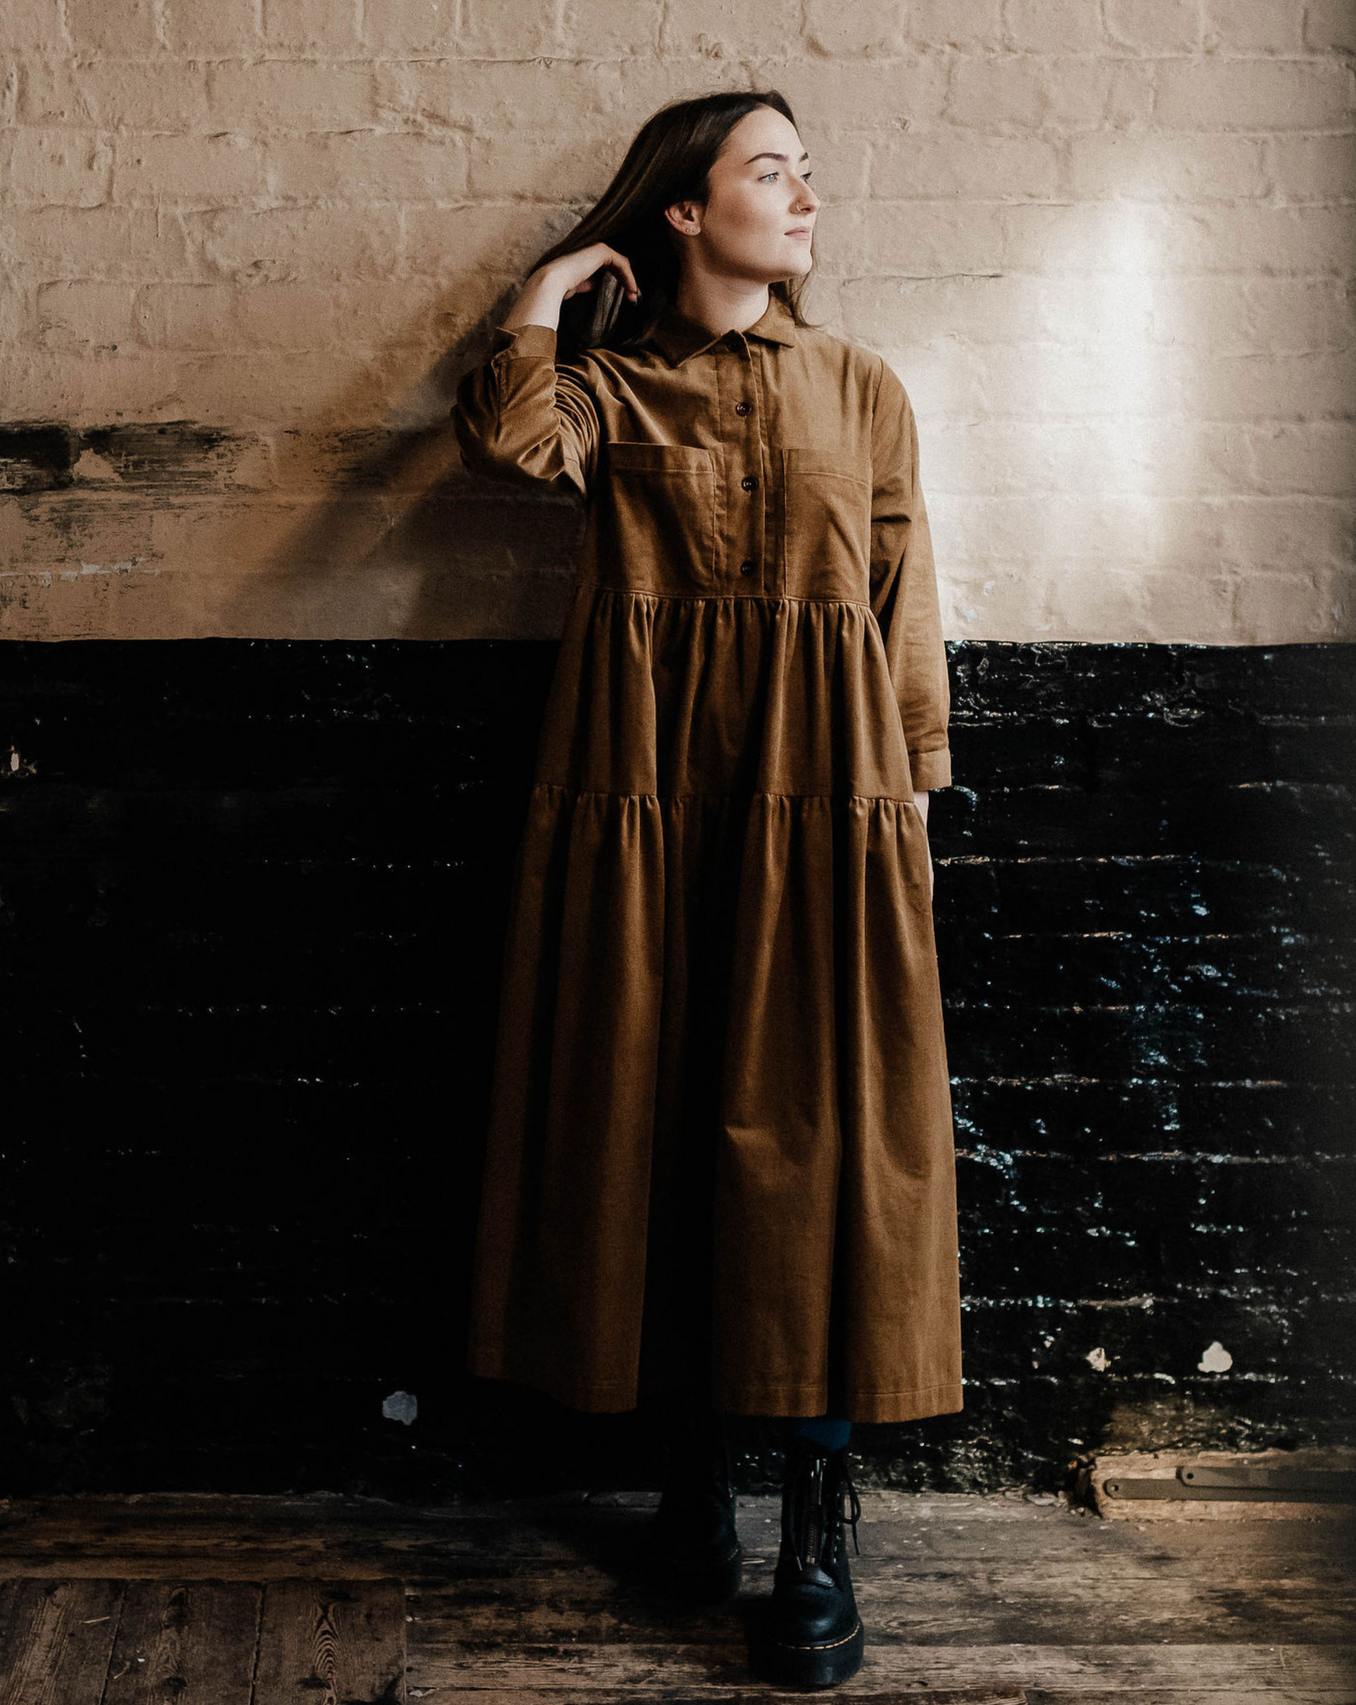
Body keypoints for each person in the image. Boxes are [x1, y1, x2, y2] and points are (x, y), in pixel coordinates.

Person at [451, 89, 961, 1691]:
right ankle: (695, 1483)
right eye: (769, 172)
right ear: (683, 208)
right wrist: (550, 289)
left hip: (825, 803)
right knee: (654, 1112)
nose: (805, 198)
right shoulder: (612, 388)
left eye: (810, 173)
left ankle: (816, 1518)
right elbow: (509, 438)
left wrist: (909, 796)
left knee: (821, 1147)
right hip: (651, 795)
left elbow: (903, 590)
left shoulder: (860, 385)